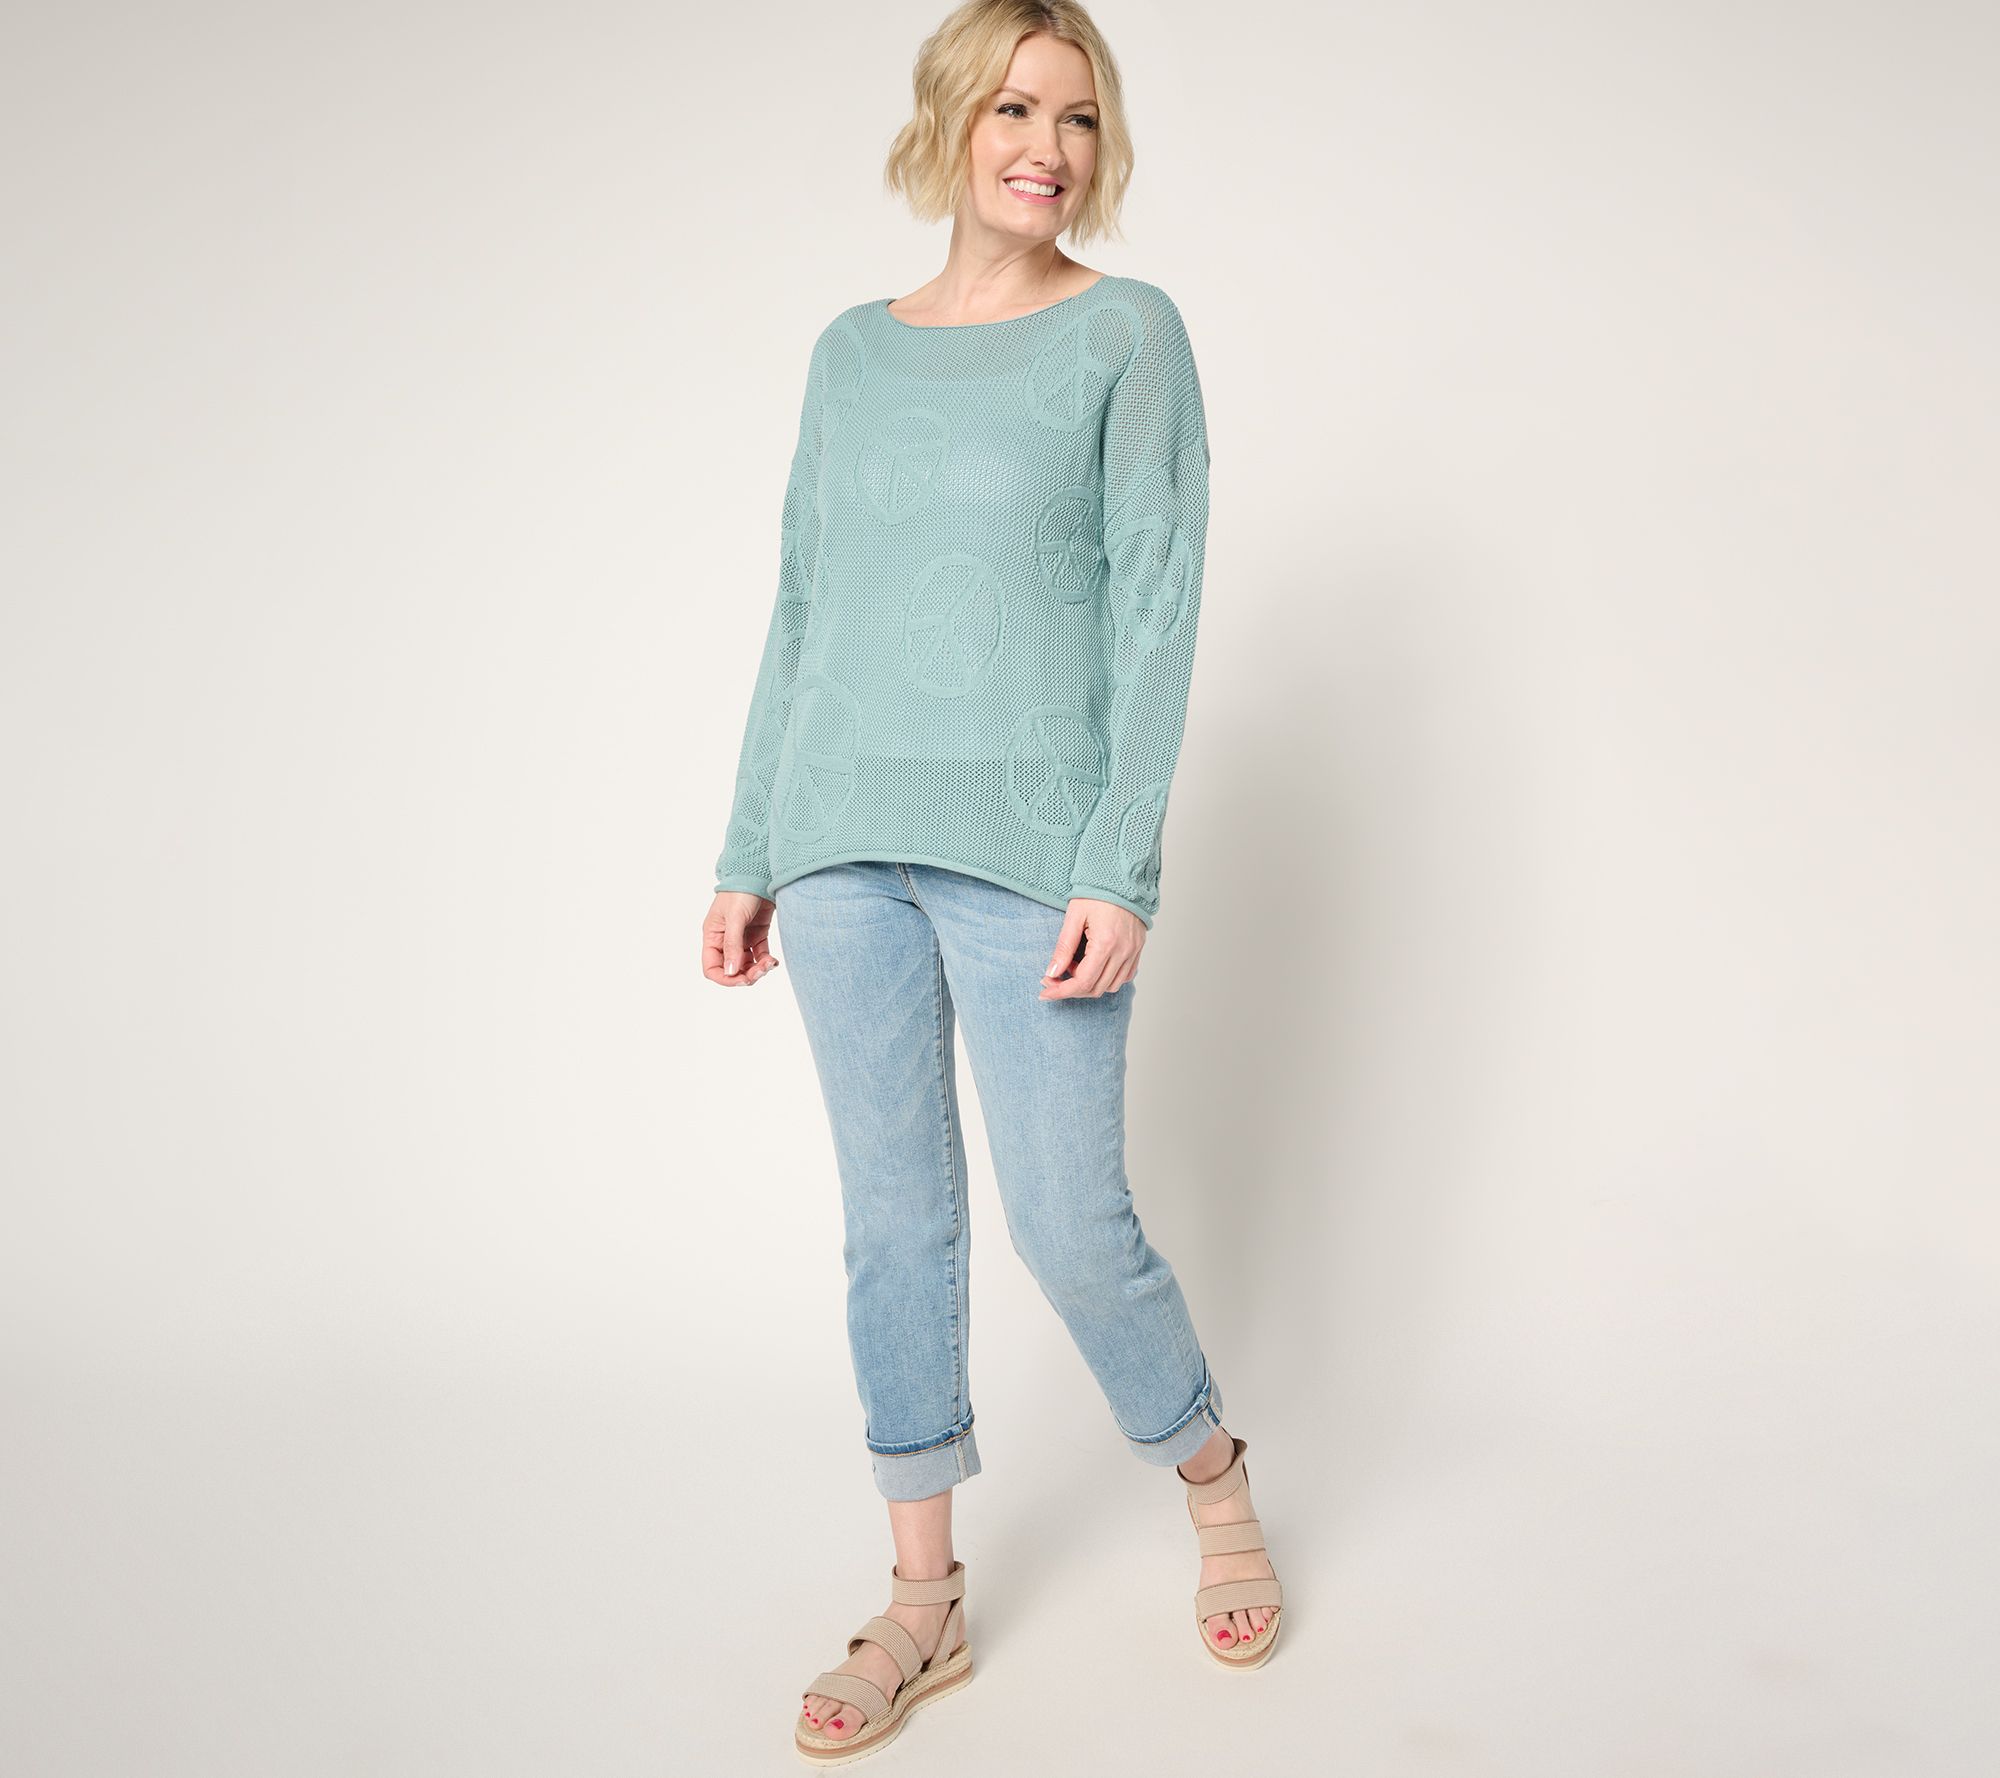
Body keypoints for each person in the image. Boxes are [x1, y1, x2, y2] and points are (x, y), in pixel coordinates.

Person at [699, 2, 1285, 1758]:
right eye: (1016, 108)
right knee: (893, 1223)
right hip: (839, 845)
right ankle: (924, 1597)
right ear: (951, 120)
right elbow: (805, 602)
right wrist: (749, 844)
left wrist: (1123, 860)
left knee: (1068, 1222)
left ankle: (1210, 1465)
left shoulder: (1127, 335)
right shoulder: (849, 354)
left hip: (1035, 849)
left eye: (1079, 119)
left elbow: (1157, 604)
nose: (1048, 146)